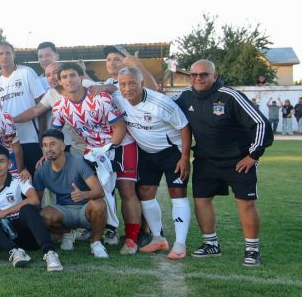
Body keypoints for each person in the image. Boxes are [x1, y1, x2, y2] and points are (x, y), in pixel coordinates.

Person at [175, 60, 273, 266]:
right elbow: (161, 105)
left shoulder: (230, 96)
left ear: (215, 76)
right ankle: (211, 244)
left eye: (204, 74)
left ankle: (252, 250)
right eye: (194, 75)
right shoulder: (185, 96)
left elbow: (261, 123)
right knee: (201, 200)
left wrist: (253, 155)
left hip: (238, 160)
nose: (198, 78)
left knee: (246, 202)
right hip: (205, 160)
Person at [50, 61, 138, 253]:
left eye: (72, 75)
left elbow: (120, 127)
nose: (69, 80)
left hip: (120, 145)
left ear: (81, 77)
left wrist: (107, 150)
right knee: (94, 190)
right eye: (64, 77)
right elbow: (54, 135)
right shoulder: (60, 107)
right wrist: (48, 153)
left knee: (125, 190)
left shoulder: (100, 98)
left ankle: (130, 237)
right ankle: (99, 227)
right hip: (93, 151)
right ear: (60, 81)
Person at [113, 67, 192, 258]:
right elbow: (106, 89)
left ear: (141, 84)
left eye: (132, 83)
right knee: (145, 192)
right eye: (123, 84)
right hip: (146, 152)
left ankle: (180, 244)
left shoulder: (161, 103)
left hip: (171, 151)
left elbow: (184, 126)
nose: (127, 88)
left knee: (177, 193)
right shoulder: (118, 97)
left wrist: (184, 158)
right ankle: (158, 238)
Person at [0, 146, 63, 272]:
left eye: (1, 161)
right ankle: (14, 252)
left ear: (9, 163)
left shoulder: (19, 179)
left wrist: (5, 212)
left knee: (27, 208)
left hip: (25, 233)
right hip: (5, 235)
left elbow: (34, 199)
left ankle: (49, 253)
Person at [33, 130, 110, 258]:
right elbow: (37, 201)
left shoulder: (78, 162)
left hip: (85, 209)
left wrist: (84, 195)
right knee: (43, 215)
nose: (48, 149)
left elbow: (99, 191)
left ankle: (96, 243)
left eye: (52, 144)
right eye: (45, 145)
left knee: (99, 204)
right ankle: (66, 233)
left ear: (63, 146)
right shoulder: (42, 170)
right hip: (63, 210)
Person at [0, 41, 47, 170]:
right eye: (1, 54)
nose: (4, 56)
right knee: (16, 177)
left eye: (8, 53)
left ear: (13, 55)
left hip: (31, 138)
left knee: (35, 176)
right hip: (10, 141)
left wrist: (42, 132)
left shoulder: (26, 72)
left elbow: (42, 103)